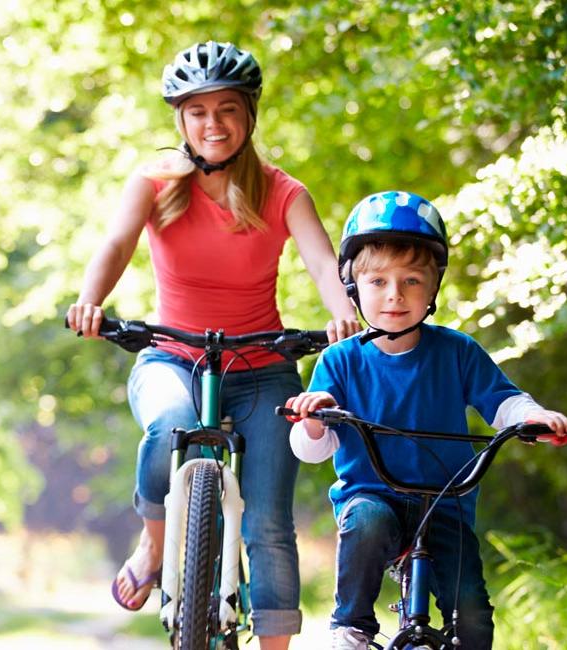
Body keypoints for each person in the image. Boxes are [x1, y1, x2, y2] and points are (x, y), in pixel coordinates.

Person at [66, 41, 361, 649]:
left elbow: (323, 263)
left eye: (227, 109)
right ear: (181, 119)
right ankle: (153, 543)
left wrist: (345, 317)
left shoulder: (283, 192)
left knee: (270, 524)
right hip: (173, 356)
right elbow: (117, 245)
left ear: (249, 115)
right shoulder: (155, 183)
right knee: (166, 427)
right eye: (198, 111)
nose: (213, 124)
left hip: (262, 368)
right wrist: (91, 299)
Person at [282, 190, 567, 650]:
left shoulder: (456, 351)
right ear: (354, 288)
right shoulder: (340, 361)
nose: (395, 295)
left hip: (446, 502)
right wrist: (315, 419)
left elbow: (503, 402)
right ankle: (351, 626)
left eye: (412, 281)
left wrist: (533, 417)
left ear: (433, 287)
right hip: (373, 495)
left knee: (472, 615)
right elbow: (312, 448)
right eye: (377, 281)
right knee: (367, 524)